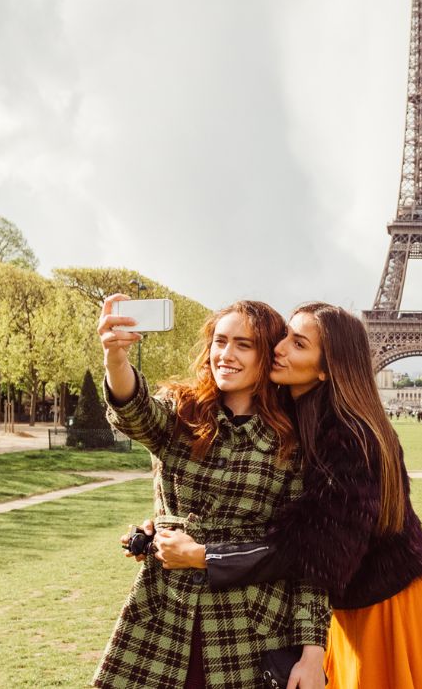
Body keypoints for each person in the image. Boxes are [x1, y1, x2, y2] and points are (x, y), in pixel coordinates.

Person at [144, 302, 422, 688]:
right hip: (344, 608)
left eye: (298, 344)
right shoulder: (295, 414)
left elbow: (313, 548)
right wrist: (169, 526)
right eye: (284, 337)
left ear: (325, 368)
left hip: (388, 607)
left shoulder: (351, 436)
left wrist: (203, 556)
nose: (279, 348)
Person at [95, 295, 329, 689]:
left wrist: (313, 650)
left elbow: (305, 556)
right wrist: (115, 360)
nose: (227, 354)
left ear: (266, 355)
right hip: (165, 613)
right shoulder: (179, 412)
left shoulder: (294, 442)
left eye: (244, 344)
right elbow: (135, 410)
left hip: (249, 628)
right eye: (220, 341)